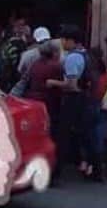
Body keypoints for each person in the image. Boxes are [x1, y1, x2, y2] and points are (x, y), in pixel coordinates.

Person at [47, 26, 96, 182]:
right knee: (84, 134)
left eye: (64, 40)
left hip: (73, 99)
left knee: (63, 135)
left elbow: (71, 84)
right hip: (85, 98)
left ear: (71, 41)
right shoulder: (86, 55)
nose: (62, 43)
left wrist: (53, 82)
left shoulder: (72, 58)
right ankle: (92, 168)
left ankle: (55, 172)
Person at [25, 41, 62, 139]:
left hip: (33, 99)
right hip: (49, 101)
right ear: (54, 53)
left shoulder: (35, 64)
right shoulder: (55, 66)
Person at [0, 19, 29, 93]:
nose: (23, 28)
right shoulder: (17, 44)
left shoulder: (7, 43)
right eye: (20, 26)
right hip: (11, 80)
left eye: (23, 25)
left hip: (5, 78)